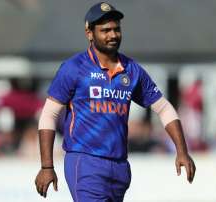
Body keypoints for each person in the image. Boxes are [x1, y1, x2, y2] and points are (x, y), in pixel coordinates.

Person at [34, 2, 196, 201]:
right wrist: (46, 166)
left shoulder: (132, 70)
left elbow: (163, 108)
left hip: (120, 167)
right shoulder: (73, 68)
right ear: (89, 33)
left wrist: (182, 151)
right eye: (105, 30)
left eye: (116, 29)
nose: (112, 35)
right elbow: (49, 115)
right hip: (85, 162)